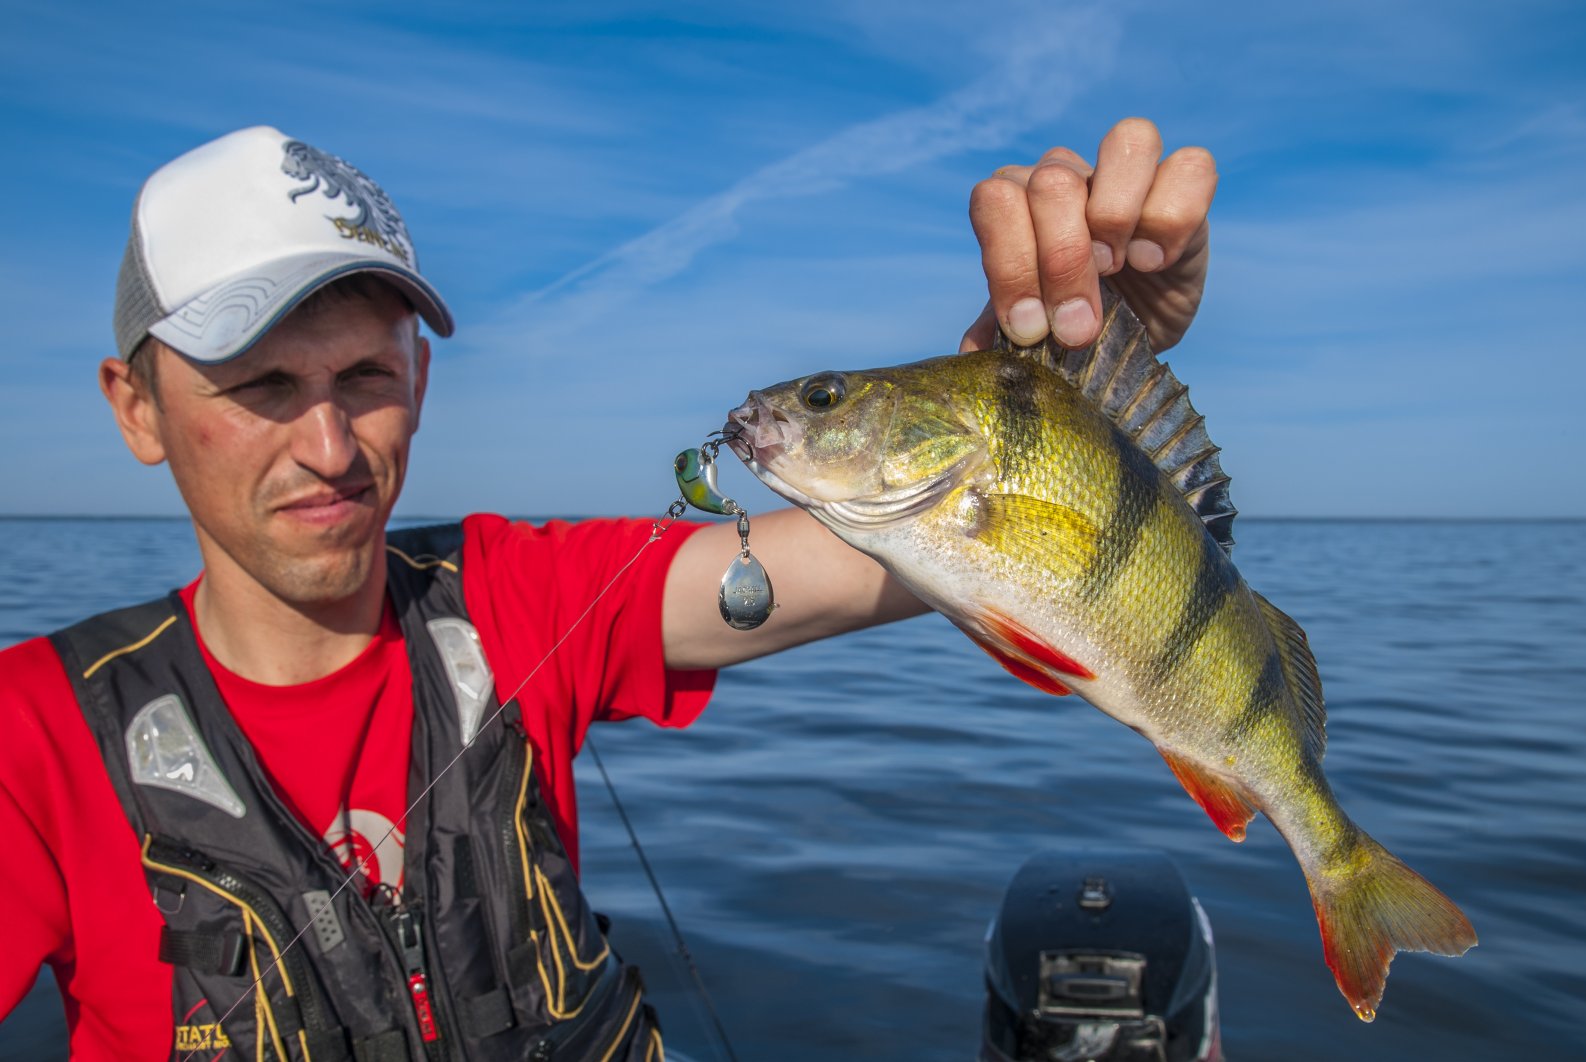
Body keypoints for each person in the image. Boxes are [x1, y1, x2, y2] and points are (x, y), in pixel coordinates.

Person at [0, 119, 1216, 1060]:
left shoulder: (519, 596)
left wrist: (1044, 396)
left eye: (364, 374)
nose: (329, 445)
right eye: (262, 385)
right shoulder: (30, 734)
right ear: (136, 409)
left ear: (418, 383)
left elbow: (909, 546)